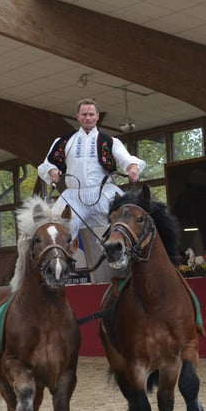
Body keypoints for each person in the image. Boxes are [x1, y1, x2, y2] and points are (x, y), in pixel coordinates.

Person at [38, 98, 145, 283]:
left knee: (125, 221)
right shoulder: (65, 141)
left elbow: (126, 159)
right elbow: (49, 163)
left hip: (102, 192)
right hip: (74, 195)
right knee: (55, 227)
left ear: (97, 117)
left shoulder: (109, 141)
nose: (88, 118)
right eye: (84, 114)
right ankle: (55, 267)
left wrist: (132, 168)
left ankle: (123, 258)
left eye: (91, 114)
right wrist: (53, 171)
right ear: (78, 117)